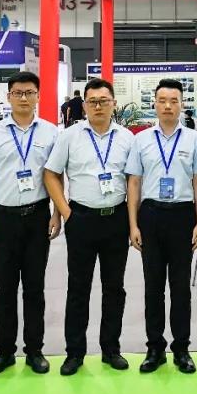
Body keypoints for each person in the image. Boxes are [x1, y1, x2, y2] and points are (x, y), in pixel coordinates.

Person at [44, 77, 134, 375]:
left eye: (103, 101)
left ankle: (111, 349)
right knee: (78, 288)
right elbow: (51, 174)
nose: (98, 106)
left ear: (113, 104)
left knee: (114, 288)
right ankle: (75, 353)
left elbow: (134, 181)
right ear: (83, 106)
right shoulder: (70, 136)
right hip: (81, 219)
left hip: (116, 219)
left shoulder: (127, 138)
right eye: (92, 102)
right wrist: (65, 212)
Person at [0, 72, 60, 377]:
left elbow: (56, 176)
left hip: (37, 217)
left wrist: (56, 214)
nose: (24, 98)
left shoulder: (51, 133)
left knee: (35, 288)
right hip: (4, 218)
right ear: (9, 96)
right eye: (18, 93)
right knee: (5, 289)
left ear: (38, 96)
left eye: (29, 92)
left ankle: (34, 350)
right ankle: (4, 352)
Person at [125, 79, 197, 374]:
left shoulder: (194, 139)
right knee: (153, 287)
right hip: (151, 216)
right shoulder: (142, 140)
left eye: (174, 100)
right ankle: (155, 348)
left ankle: (181, 349)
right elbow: (134, 182)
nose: (168, 106)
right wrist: (133, 224)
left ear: (182, 104)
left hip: (183, 216)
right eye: (162, 100)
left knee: (181, 288)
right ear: (155, 104)